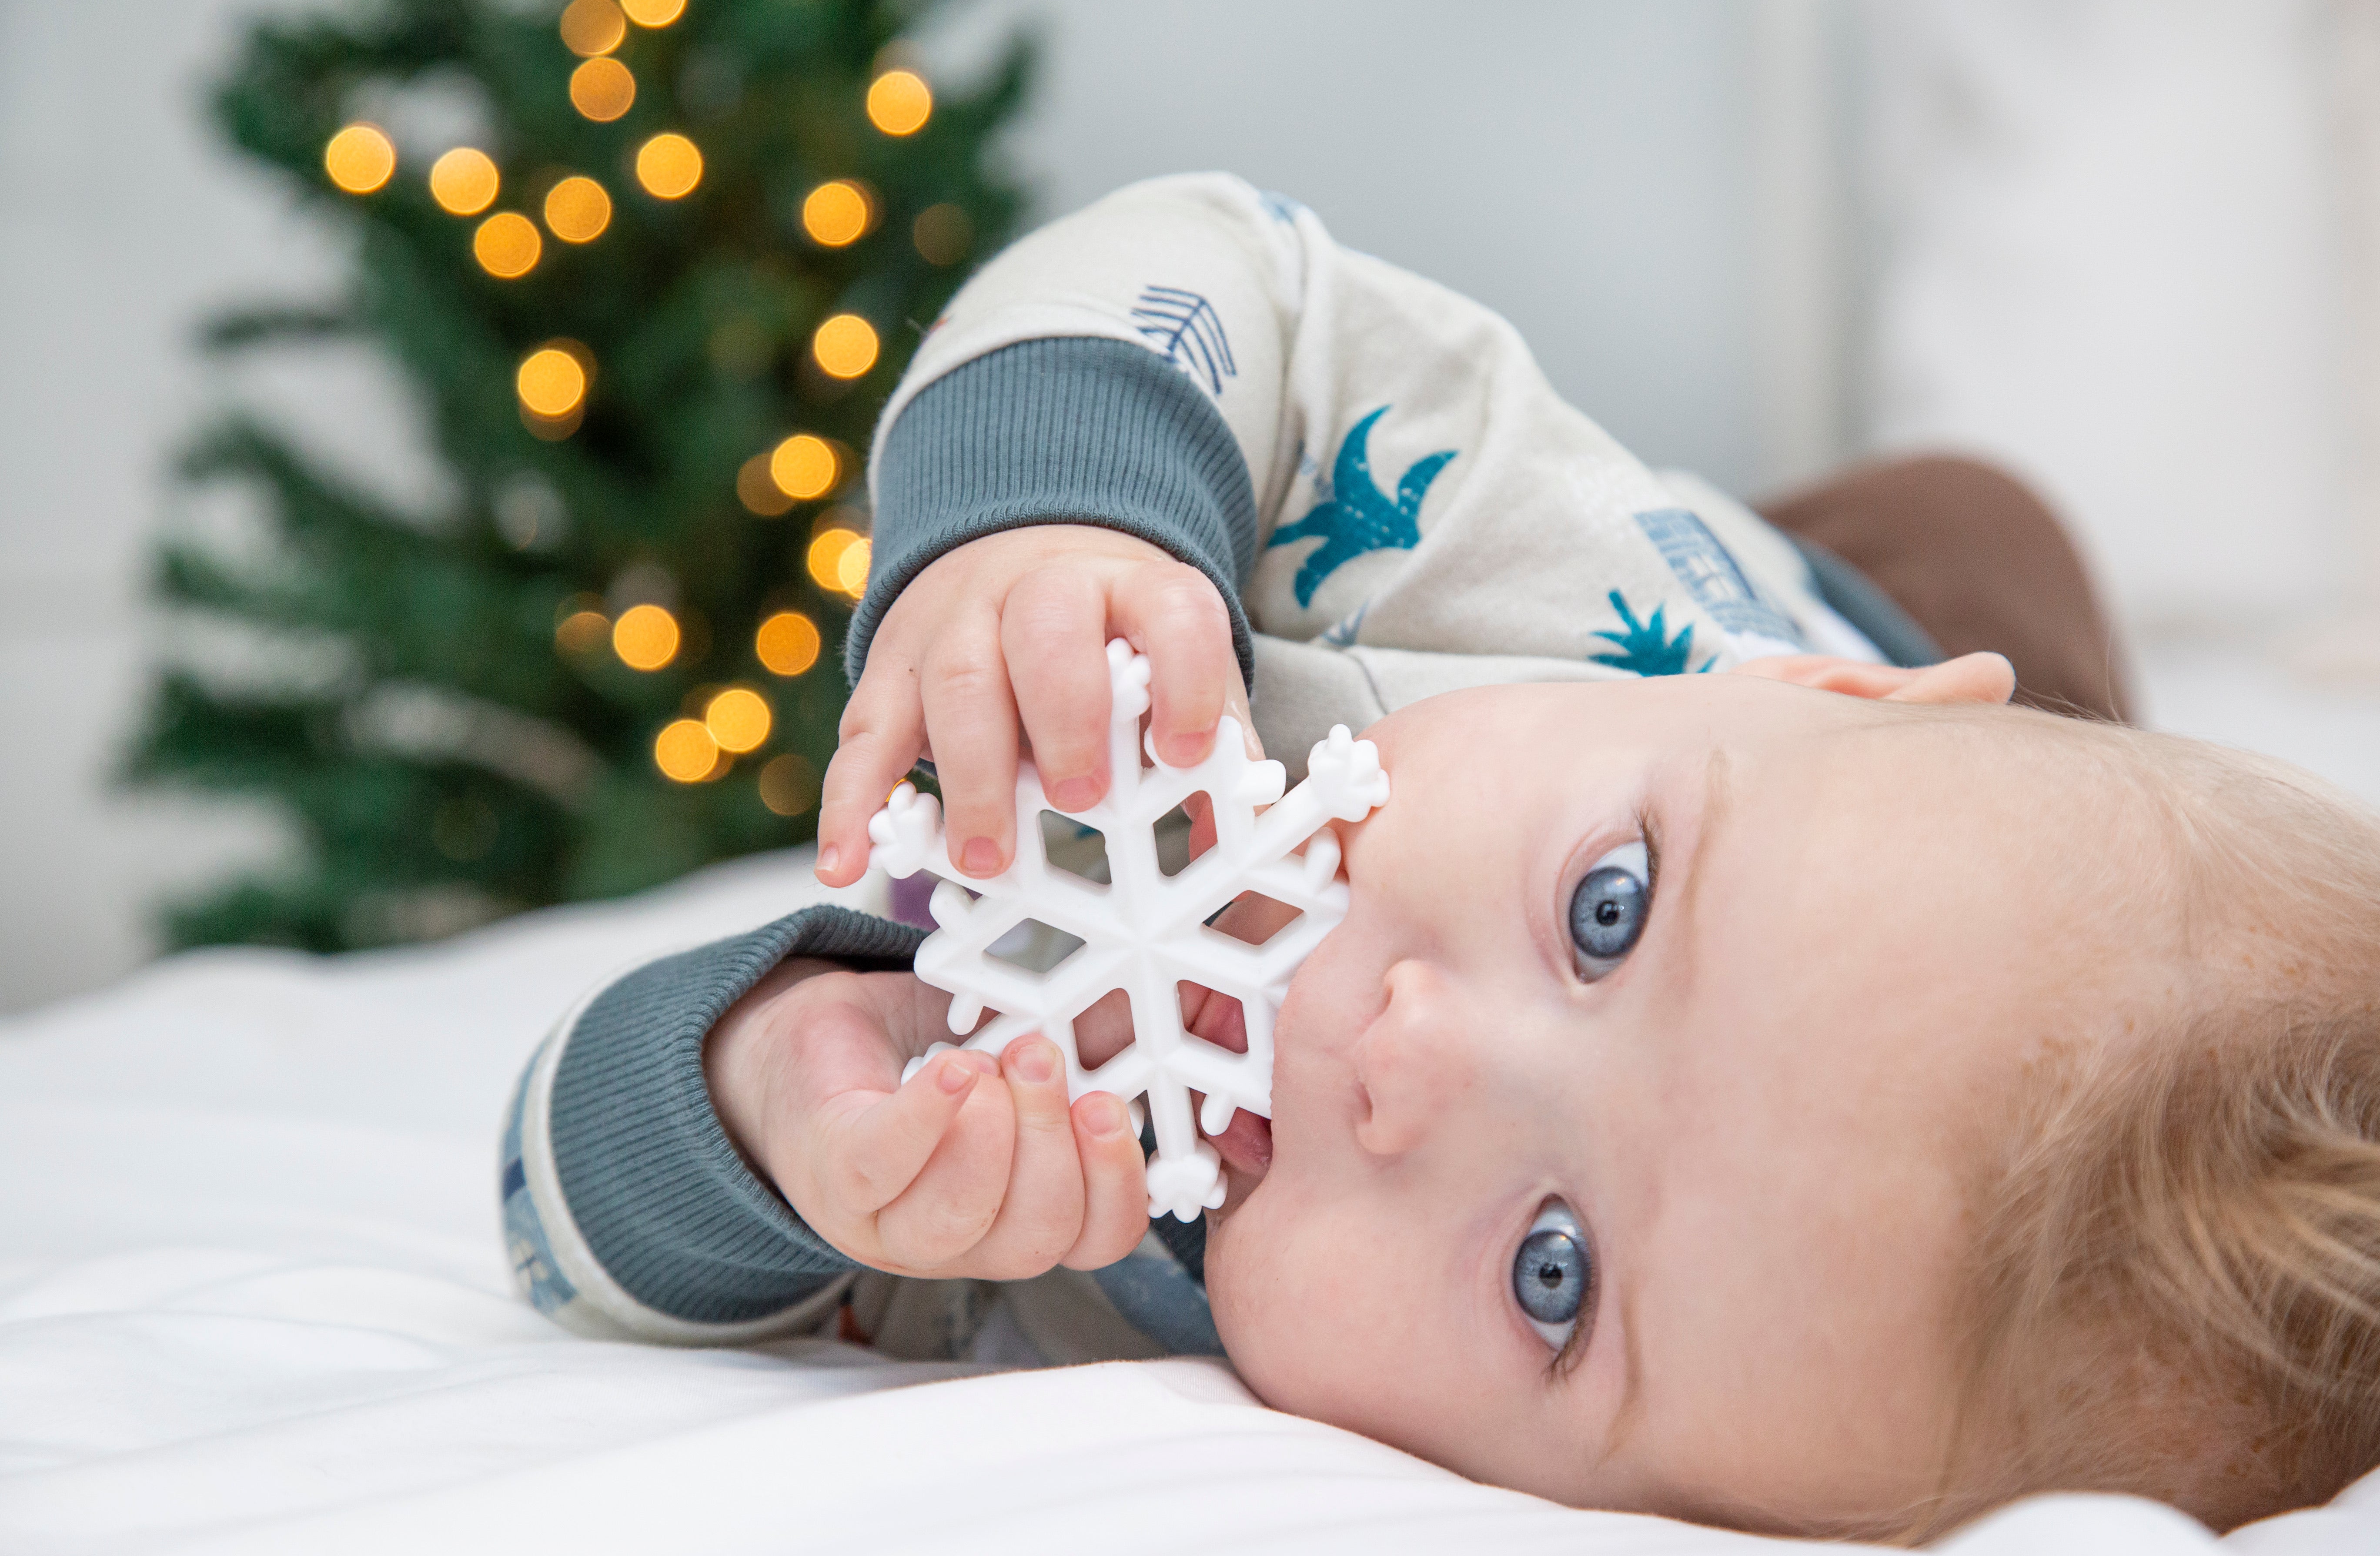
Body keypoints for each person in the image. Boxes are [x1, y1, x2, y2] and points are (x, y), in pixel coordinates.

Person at [501, 176, 2380, 1539]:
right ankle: (1965, 654)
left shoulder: (1098, 1211)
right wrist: (1058, 507)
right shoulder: (1496, 553)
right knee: (1984, 535)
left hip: (1797, 738)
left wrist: (784, 1102)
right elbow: (1229, 269)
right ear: (1827, 704)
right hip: (1798, 603)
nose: (1398, 1059)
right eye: (1608, 913)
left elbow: (550, 1200)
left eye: (1552, 1276)